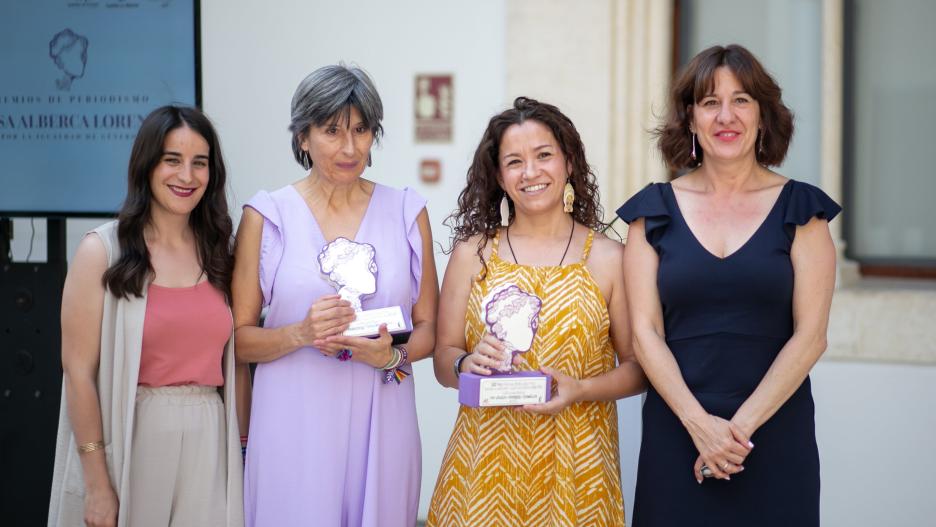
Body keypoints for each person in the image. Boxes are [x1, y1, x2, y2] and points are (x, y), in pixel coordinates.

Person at [618, 44, 841, 526]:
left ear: (763, 116)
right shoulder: (651, 212)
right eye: (709, 101)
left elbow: (811, 337)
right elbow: (645, 334)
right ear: (690, 119)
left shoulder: (803, 211)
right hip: (677, 429)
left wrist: (733, 434)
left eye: (741, 100)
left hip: (773, 431)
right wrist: (701, 428)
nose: (726, 115)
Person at [232, 64, 438, 527]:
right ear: (302, 136)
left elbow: (430, 330)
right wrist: (300, 333)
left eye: (362, 130)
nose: (350, 148)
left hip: (383, 417)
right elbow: (239, 340)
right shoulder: (266, 216)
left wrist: (391, 355)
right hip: (292, 422)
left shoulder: (407, 211)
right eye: (332, 131)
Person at [426, 97, 646, 526]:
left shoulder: (609, 258)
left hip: (578, 469)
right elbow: (442, 358)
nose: (531, 172)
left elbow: (639, 368)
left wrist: (580, 389)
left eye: (544, 155)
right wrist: (465, 362)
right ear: (498, 177)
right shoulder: (473, 253)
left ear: (568, 162)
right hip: (482, 467)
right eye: (514, 161)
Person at [49, 105, 248, 527]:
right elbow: (78, 372)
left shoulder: (220, 253)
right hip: (135, 432)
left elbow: (239, 363)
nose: (187, 176)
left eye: (200, 163)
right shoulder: (102, 251)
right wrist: (97, 483)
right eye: (172, 160)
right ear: (146, 165)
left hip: (211, 436)